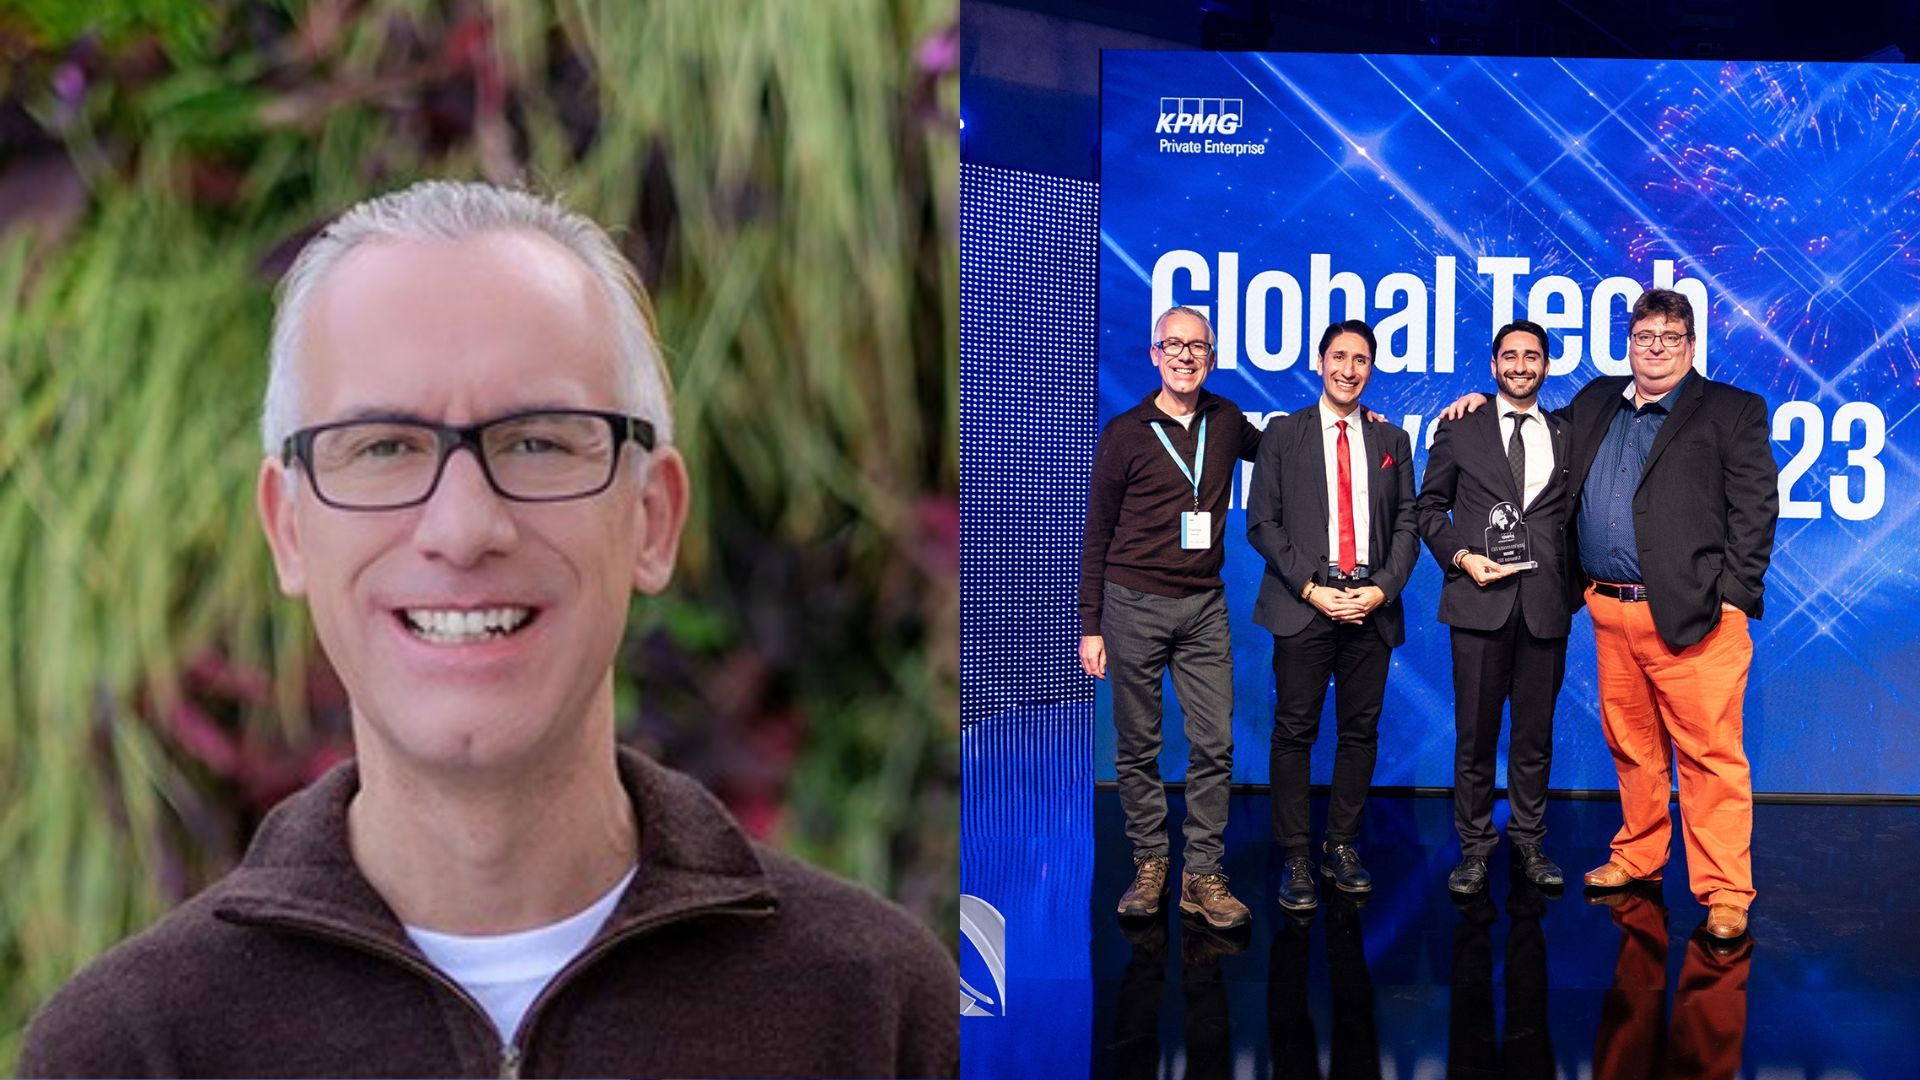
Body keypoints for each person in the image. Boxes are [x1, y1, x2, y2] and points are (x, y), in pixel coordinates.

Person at [19, 181, 957, 1078]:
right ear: (290, 530)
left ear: (654, 517)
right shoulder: (131, 1051)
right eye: (383, 446)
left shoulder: (876, 1015)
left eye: (540, 441)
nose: (464, 529)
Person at [1444, 288, 1778, 940]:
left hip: (1695, 616)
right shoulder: (1599, 399)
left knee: (1710, 758)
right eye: (1644, 337)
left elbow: (1756, 509)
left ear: (1690, 345)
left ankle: (1725, 891)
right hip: (1607, 610)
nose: (1654, 349)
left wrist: (1733, 597)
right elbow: (1534, 426)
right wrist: (1483, 406)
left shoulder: (1731, 411)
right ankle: (1638, 856)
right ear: (1629, 344)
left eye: (1669, 338)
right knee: (1633, 747)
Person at [1080, 305, 1263, 930]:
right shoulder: (1126, 432)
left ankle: (1202, 873)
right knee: (1138, 747)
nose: (1186, 356)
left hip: (1204, 606)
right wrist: (1091, 624)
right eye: (1173, 345)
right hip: (1131, 605)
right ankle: (1152, 862)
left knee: (1215, 743)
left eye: (1198, 347)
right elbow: (1097, 531)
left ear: (1211, 357)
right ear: (1154, 354)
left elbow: (1293, 449)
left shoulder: (1229, 419)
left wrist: (1357, 419)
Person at [1246, 320, 1417, 912]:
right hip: (1306, 607)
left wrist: (1383, 589)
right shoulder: (1283, 433)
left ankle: (1340, 846)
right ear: (1320, 363)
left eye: (1361, 359)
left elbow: (1408, 526)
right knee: (1293, 733)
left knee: (1359, 733)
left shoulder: (1392, 439)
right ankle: (1295, 854)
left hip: (1370, 607)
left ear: (1372, 369)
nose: (1349, 369)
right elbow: (1262, 523)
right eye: (1339, 356)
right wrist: (1313, 588)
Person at [1414, 320, 1573, 895]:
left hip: (1545, 606)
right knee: (1475, 737)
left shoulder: (1566, 432)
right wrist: (1460, 557)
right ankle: (1475, 848)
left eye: (1532, 356)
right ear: (1493, 365)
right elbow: (1427, 508)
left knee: (1535, 736)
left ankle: (1529, 840)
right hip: (1477, 603)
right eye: (1510, 356)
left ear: (1546, 366)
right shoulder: (1460, 428)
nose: (1521, 365)